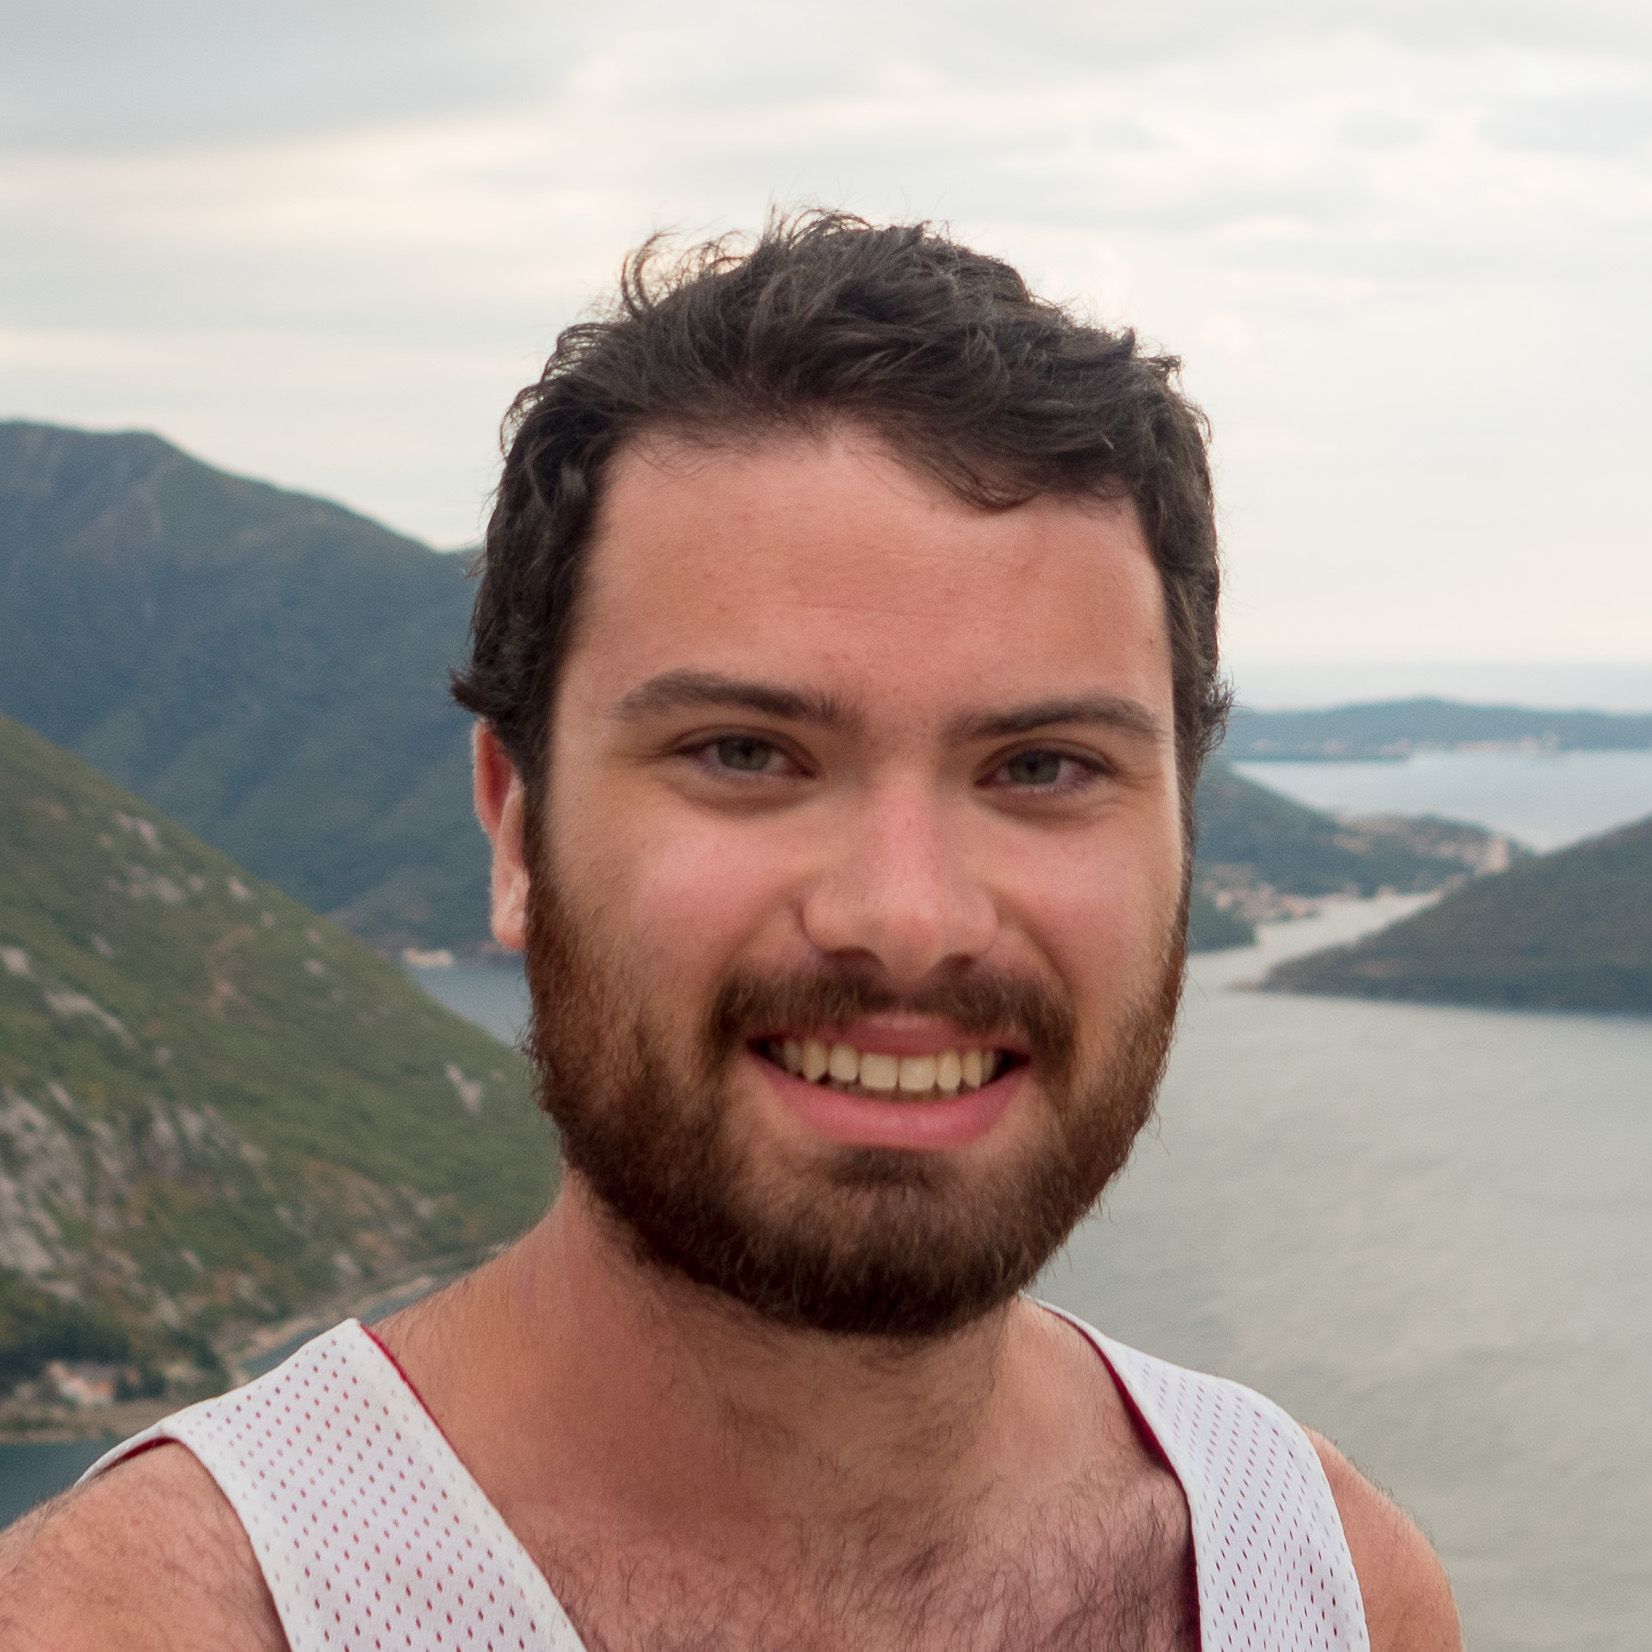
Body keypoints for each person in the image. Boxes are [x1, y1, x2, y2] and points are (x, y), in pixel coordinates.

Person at [0, 213, 1461, 1651]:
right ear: (516, 829)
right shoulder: (144, 1621)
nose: (906, 919)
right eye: (746, 754)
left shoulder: (1327, 1589)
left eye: (1042, 767)